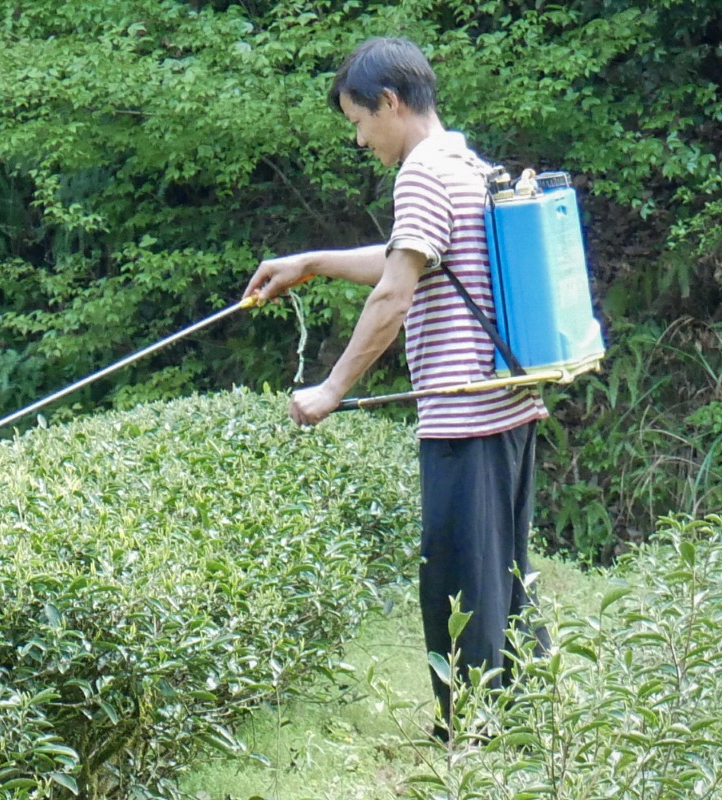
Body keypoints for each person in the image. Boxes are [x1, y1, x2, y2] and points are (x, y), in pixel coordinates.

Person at [242, 36, 550, 738]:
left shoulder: (420, 173)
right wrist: (310, 263)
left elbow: (395, 294)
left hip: (464, 416)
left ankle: (470, 745)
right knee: (505, 581)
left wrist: (330, 388)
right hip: (507, 405)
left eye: (358, 121)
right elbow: (405, 257)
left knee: (458, 591)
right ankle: (530, 734)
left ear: (389, 102)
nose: (360, 139)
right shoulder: (465, 160)